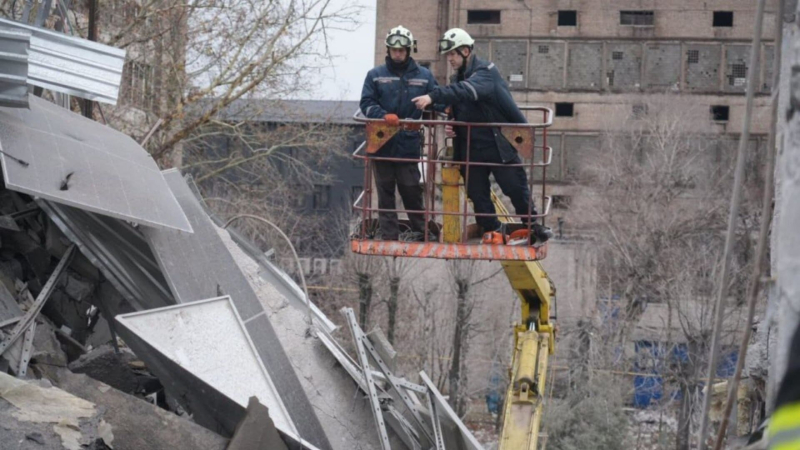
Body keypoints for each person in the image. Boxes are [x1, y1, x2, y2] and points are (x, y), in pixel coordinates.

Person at [412, 28, 553, 245]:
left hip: (497, 143)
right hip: (472, 146)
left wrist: (432, 95)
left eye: (453, 54)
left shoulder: (485, 72)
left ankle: (534, 227)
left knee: (514, 187)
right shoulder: (458, 77)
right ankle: (492, 229)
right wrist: (448, 119)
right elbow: (458, 104)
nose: (449, 59)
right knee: (476, 192)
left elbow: (465, 92)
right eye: (447, 54)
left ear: (466, 51)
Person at [359, 26, 438, 242]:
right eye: (394, 50)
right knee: (385, 191)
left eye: (402, 50)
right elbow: (366, 102)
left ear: (409, 50)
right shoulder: (375, 76)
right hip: (382, 140)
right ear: (388, 50)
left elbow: (436, 97)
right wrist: (383, 115)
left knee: (411, 188)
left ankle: (422, 232)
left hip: (408, 142)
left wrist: (437, 107)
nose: (398, 54)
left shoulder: (424, 76)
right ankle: (389, 235)